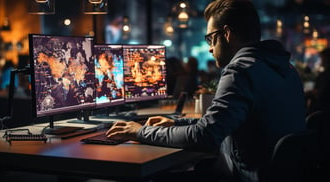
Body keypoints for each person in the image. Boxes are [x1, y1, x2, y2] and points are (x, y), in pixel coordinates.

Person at [106, 0, 307, 181]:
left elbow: (206, 137)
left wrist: (140, 131)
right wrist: (177, 123)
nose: (210, 48)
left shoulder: (240, 70)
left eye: (211, 39)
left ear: (227, 34)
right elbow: (224, 124)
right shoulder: (285, 68)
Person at [305, 47, 330, 114]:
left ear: (326, 59)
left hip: (321, 111)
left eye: (322, 58)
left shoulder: (326, 74)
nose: (321, 60)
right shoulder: (325, 73)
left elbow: (320, 92)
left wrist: (307, 94)